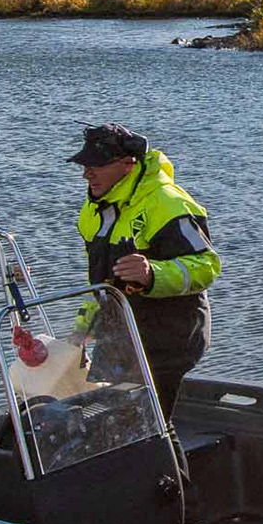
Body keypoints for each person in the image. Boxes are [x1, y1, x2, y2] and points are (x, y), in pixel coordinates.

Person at [69, 122, 219, 418]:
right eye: (84, 166)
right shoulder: (95, 208)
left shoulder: (168, 203)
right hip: (121, 336)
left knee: (153, 426)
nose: (87, 174)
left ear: (127, 164)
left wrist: (152, 274)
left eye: (96, 166)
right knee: (116, 425)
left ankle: (166, 464)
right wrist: (83, 327)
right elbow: (103, 281)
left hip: (168, 337)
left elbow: (207, 267)